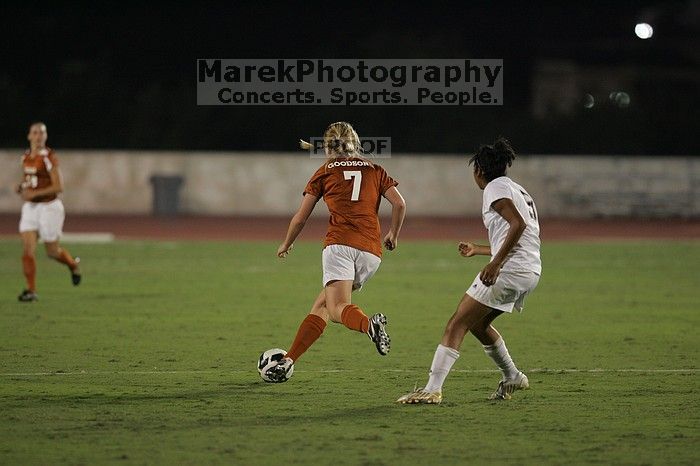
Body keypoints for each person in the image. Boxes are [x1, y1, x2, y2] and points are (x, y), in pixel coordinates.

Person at [397, 137, 541, 403]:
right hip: (530, 270)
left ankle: (432, 389)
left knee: (457, 323)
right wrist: (480, 250)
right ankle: (512, 375)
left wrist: (495, 264)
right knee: (476, 323)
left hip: (510, 270)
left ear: (479, 172)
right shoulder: (516, 189)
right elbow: (519, 235)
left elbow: (517, 225)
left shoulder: (494, 189)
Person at [266, 122, 407, 382]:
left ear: (329, 147)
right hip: (371, 253)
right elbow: (399, 203)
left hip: (340, 246)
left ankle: (369, 326)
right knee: (322, 305)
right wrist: (393, 234)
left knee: (337, 308)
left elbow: (300, 218)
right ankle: (288, 361)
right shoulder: (376, 169)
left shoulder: (324, 172)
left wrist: (287, 243)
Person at [15, 122, 81, 302]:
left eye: (41, 133)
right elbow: (29, 180)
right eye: (35, 133)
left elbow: (59, 186)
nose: (38, 136)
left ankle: (73, 265)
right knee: (27, 250)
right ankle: (31, 290)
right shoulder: (25, 157)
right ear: (29, 136)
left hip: (49, 207)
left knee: (52, 252)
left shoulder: (49, 157)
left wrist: (34, 193)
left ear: (45, 137)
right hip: (31, 209)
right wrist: (22, 188)